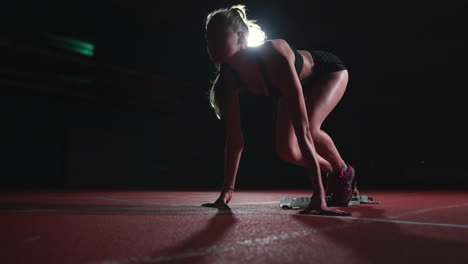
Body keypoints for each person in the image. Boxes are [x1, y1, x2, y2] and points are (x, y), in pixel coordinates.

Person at [201, 5, 355, 216]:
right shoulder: (230, 76)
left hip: (326, 74)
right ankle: (334, 170)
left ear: (241, 36)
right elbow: (235, 139)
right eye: (209, 38)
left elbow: (304, 133)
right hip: (290, 88)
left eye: (219, 37)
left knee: (309, 127)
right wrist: (226, 192)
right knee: (286, 151)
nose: (212, 45)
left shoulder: (272, 55)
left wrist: (319, 196)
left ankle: (343, 173)